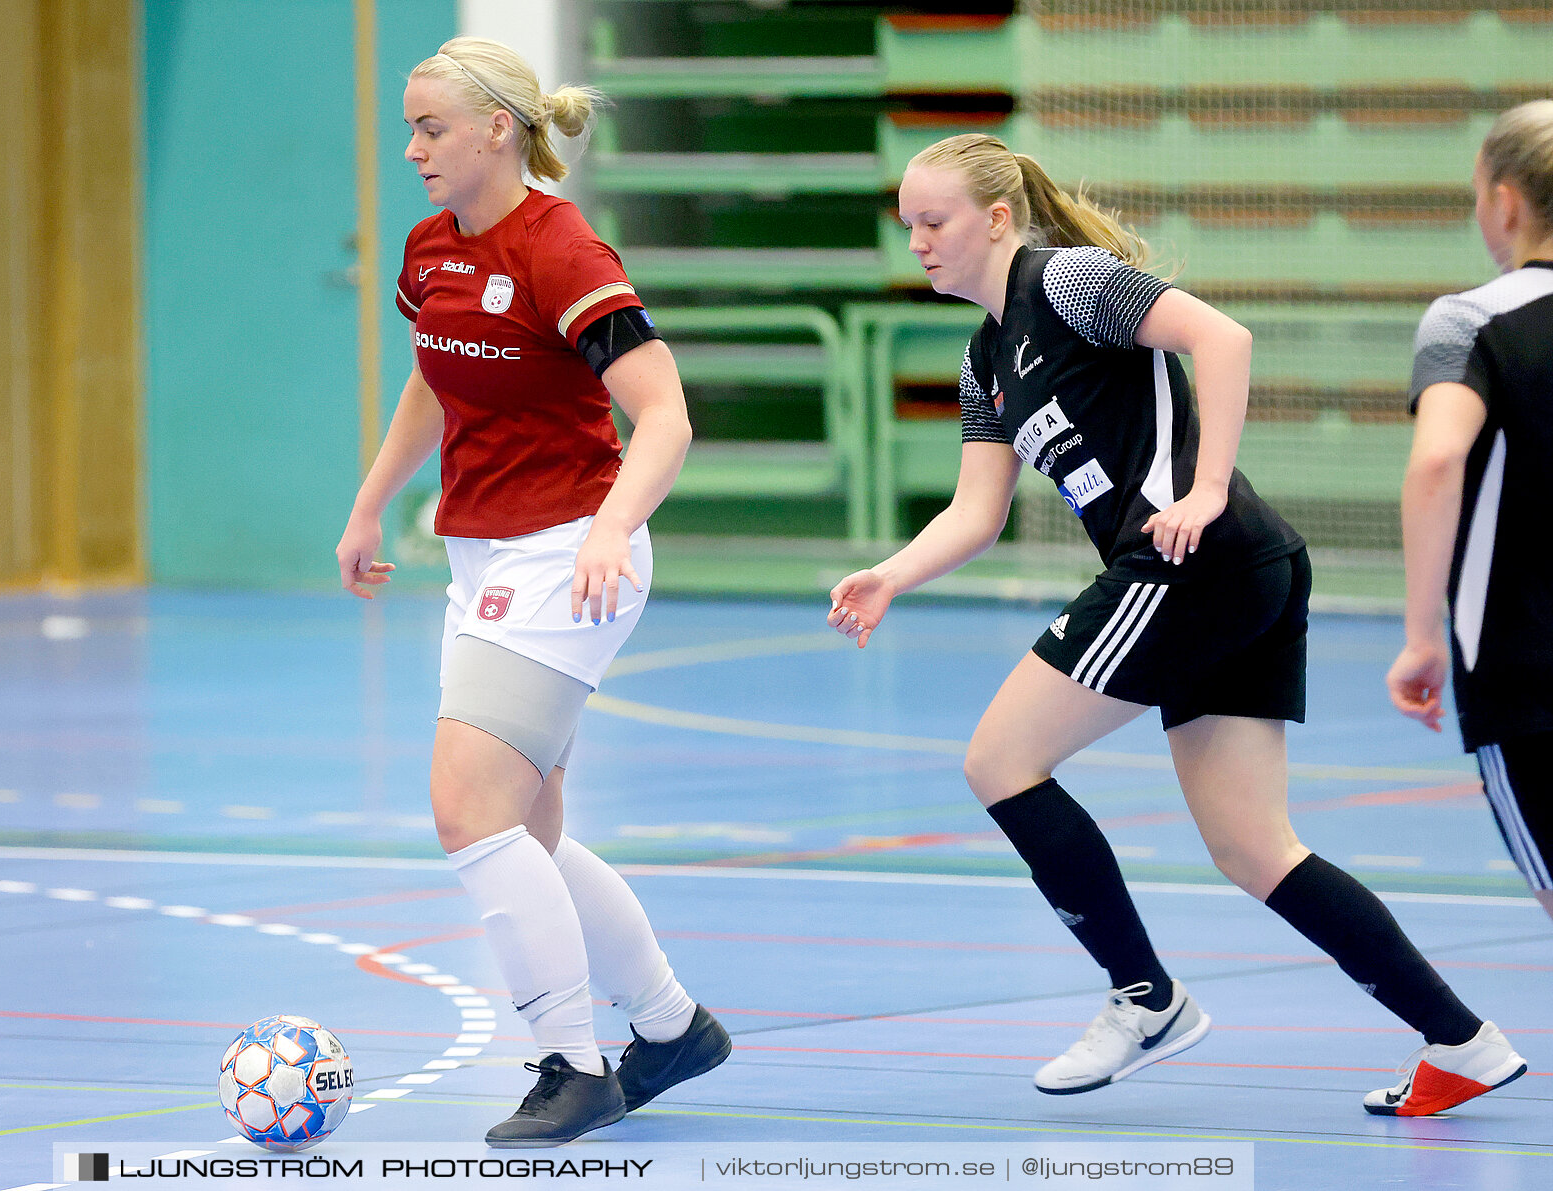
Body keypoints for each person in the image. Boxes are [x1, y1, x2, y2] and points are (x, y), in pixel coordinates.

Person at [826, 133, 1527, 1116]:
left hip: (1196, 561)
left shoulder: (1068, 280)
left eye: (933, 223)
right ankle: (1463, 1039)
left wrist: (1199, 490)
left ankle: (1145, 998)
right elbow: (976, 513)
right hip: (1243, 571)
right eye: (908, 229)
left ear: (993, 218)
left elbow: (1223, 338)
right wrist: (890, 575)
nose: (919, 245)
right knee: (1252, 848)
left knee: (998, 761)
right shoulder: (985, 359)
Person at [335, 37, 730, 1147]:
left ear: (497, 129)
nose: (411, 148)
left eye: (430, 127)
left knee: (467, 808)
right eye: (409, 127)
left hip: (570, 552)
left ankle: (571, 1062)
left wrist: (612, 527)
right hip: (482, 556)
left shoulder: (561, 248)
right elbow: (435, 380)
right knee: (531, 832)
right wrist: (371, 507)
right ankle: (668, 1025)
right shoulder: (430, 251)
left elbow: (665, 416)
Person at [1390, 99, 1553, 927]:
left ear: (1504, 201)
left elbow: (1439, 458)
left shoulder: (1467, 321)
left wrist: (1423, 636)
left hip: (1526, 665)